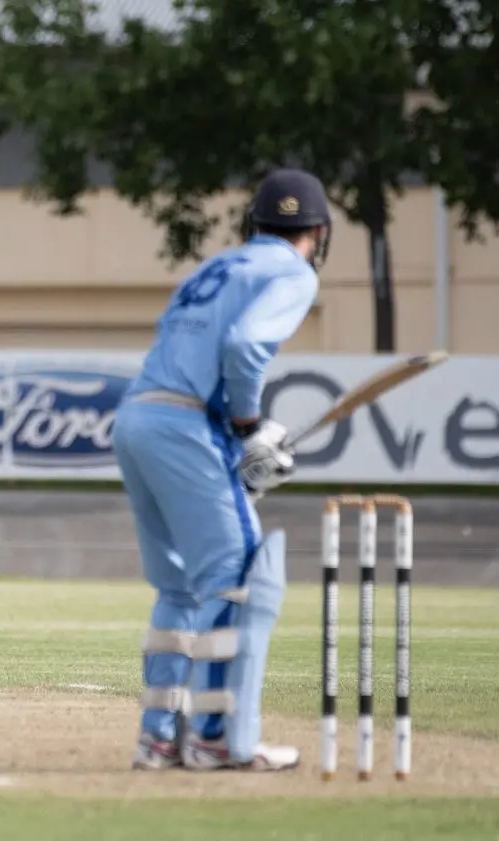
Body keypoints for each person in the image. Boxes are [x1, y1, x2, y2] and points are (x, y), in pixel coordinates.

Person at [112, 168, 331, 773]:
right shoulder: (293, 271)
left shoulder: (218, 265)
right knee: (236, 575)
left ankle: (159, 739)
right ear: (318, 231)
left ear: (255, 222)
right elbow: (244, 345)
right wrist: (247, 425)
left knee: (180, 587)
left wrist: (235, 443)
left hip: (137, 416)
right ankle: (215, 737)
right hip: (186, 424)